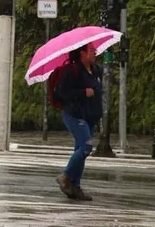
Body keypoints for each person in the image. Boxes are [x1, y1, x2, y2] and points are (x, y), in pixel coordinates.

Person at [55, 43, 102, 201]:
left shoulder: (96, 70)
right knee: (86, 147)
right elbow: (63, 92)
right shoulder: (71, 70)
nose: (95, 52)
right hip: (75, 115)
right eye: (91, 50)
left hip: (90, 116)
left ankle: (75, 187)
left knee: (80, 151)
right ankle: (65, 176)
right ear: (82, 53)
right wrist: (83, 92)